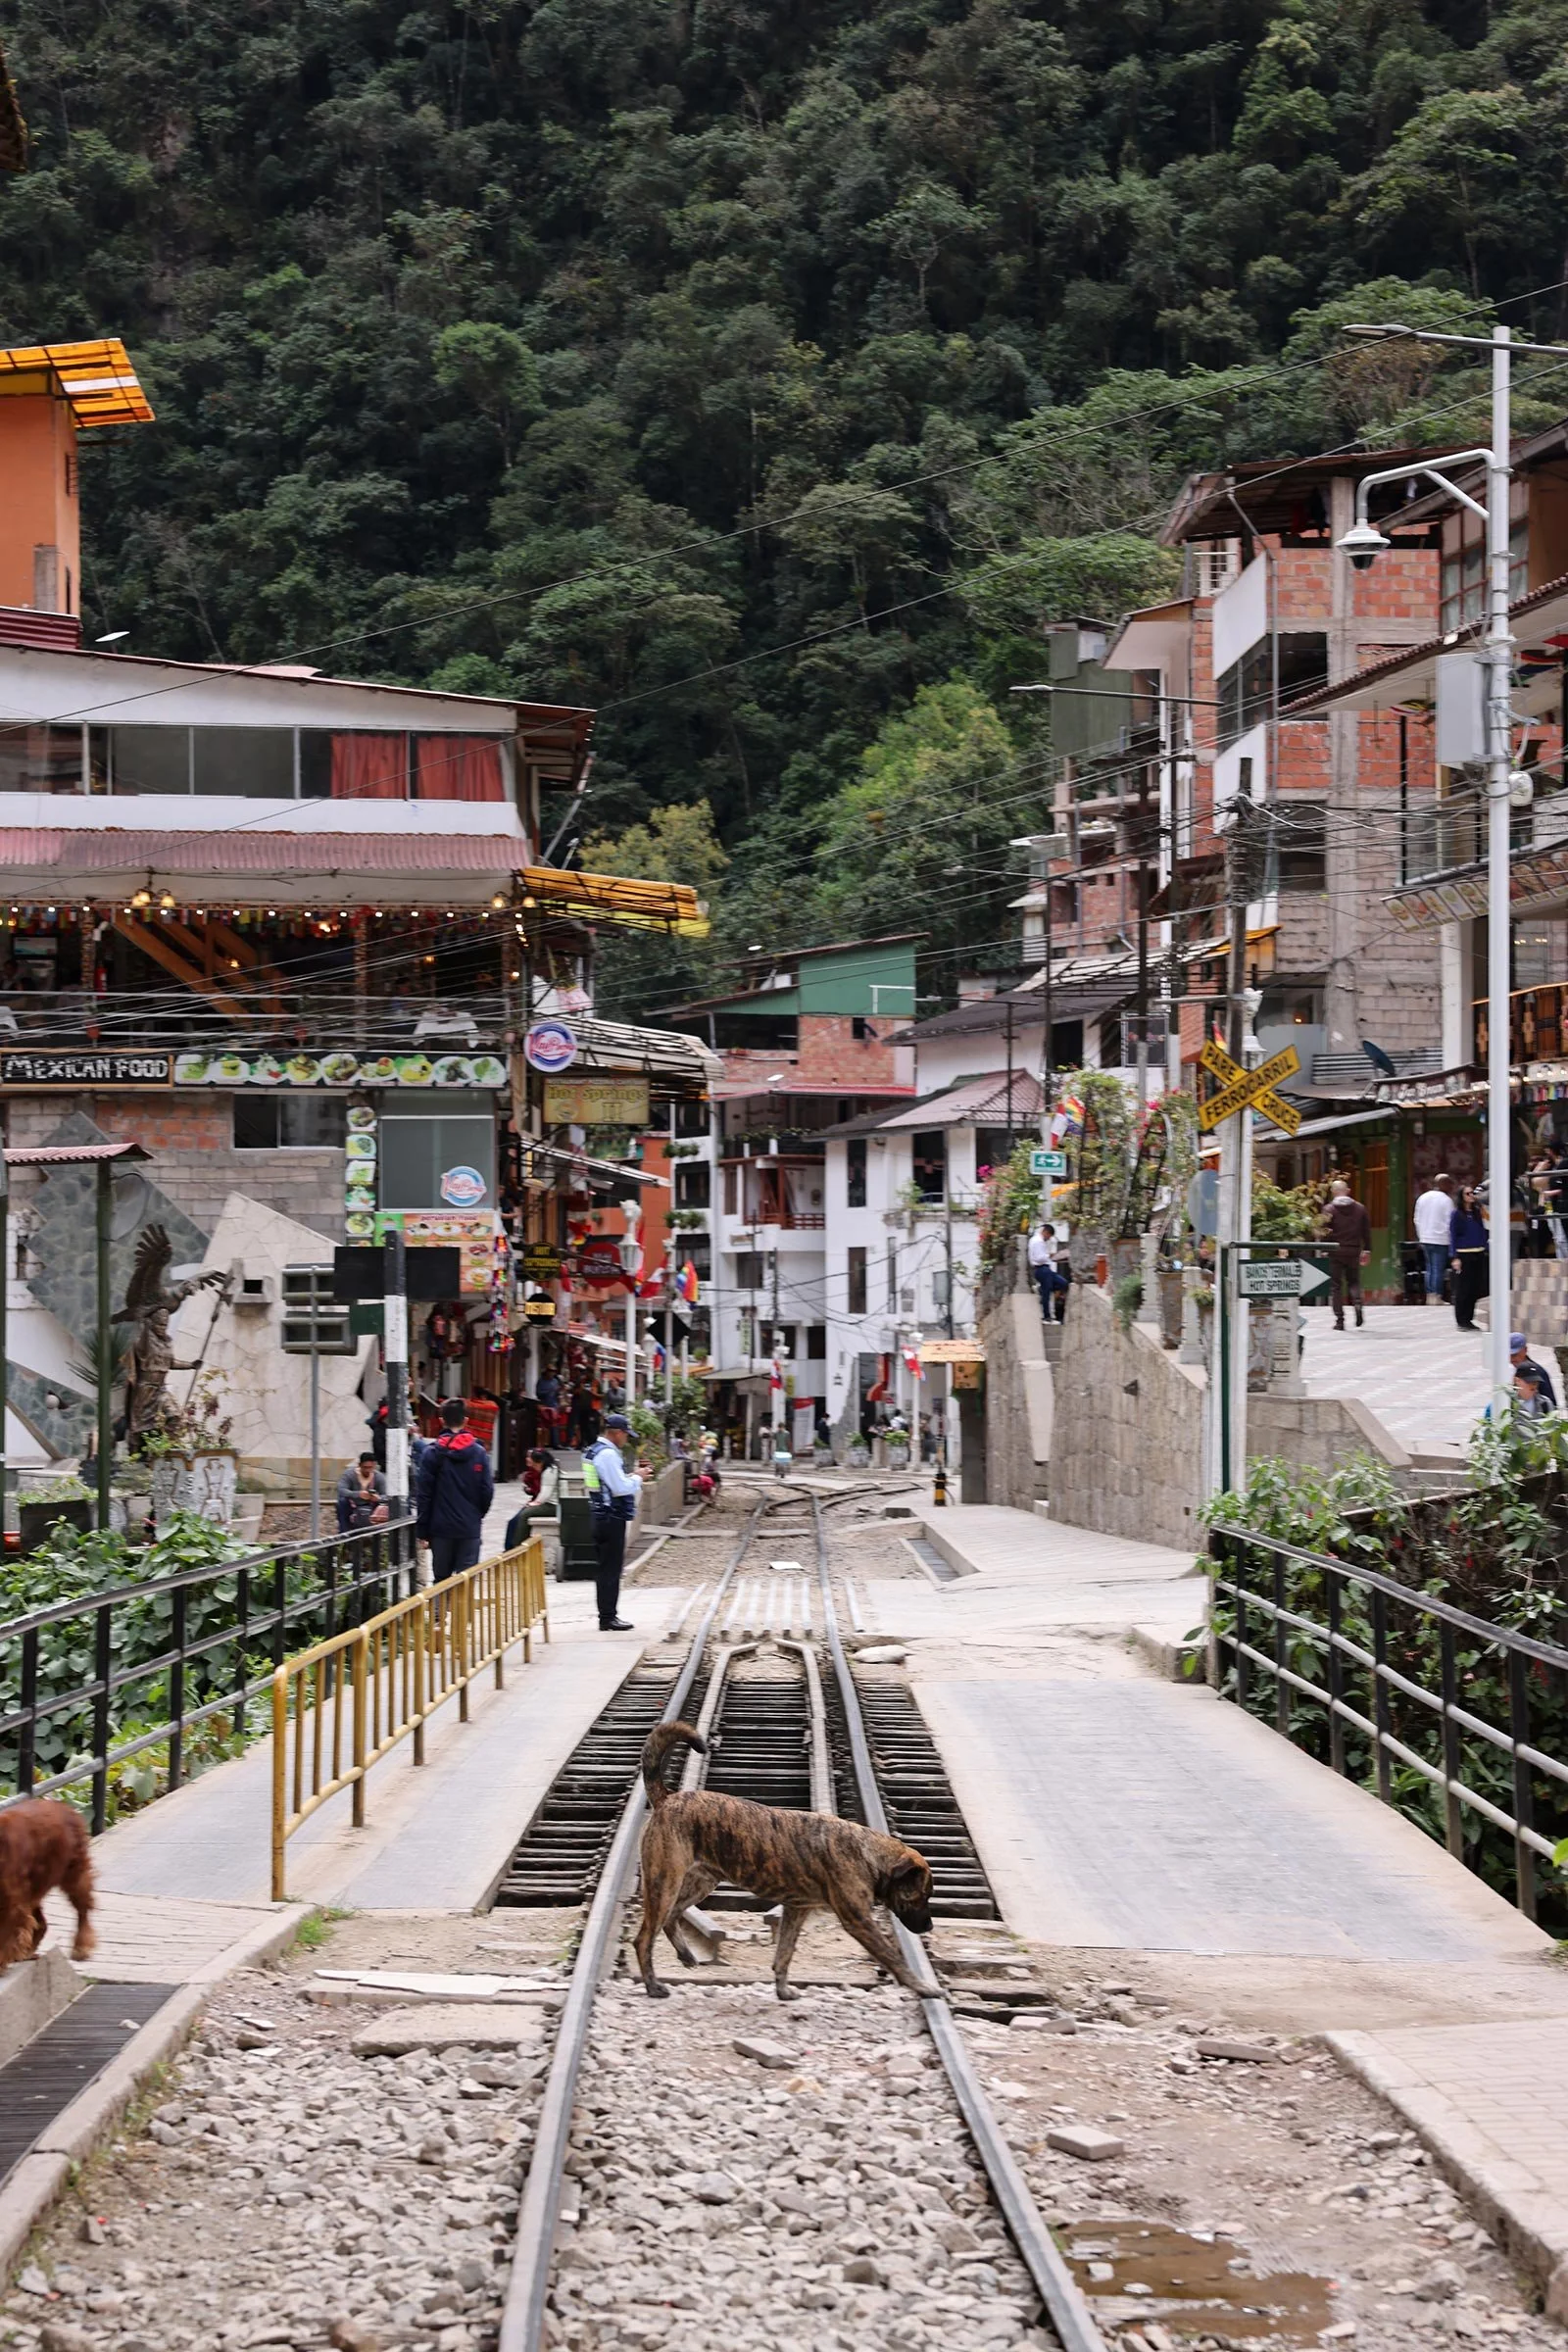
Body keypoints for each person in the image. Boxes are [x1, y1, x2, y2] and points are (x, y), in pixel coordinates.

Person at [415, 1396, 496, 1582]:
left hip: (440, 1528)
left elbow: (424, 1495)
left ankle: (441, 1603)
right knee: (466, 1580)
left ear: (441, 1420)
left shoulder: (431, 1453)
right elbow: (487, 1491)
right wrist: (475, 1516)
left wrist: (422, 1531)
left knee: (441, 1580)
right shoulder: (479, 1453)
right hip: (469, 1527)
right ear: (466, 1420)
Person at [582, 1412, 641, 1631]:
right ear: (616, 1433)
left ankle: (607, 1615)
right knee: (611, 1570)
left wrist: (630, 1477)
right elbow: (620, 1488)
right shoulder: (607, 1454)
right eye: (625, 1434)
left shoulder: (593, 1451)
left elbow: (608, 1483)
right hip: (610, 1517)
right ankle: (608, 1617)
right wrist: (638, 1477)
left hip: (599, 1515)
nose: (626, 1439)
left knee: (605, 1568)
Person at [1320, 1177, 1372, 1331]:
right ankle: (1357, 1302)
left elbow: (1325, 1231)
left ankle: (1340, 1320)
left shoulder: (1329, 1209)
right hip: (1353, 1250)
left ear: (1333, 1192)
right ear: (1348, 1191)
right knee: (1354, 1281)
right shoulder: (1360, 1209)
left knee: (1336, 1286)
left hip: (1335, 1251)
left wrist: (1324, 1248)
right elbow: (1366, 1231)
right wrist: (1367, 1249)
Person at [1449, 1184, 1490, 1330]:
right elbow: (1453, 1235)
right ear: (1461, 1197)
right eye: (1467, 1194)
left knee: (1475, 1288)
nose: (1471, 1196)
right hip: (1464, 1254)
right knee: (1463, 1288)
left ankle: (1469, 1318)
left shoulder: (1477, 1212)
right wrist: (1454, 1257)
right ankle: (1461, 1320)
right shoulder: (1457, 1214)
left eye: (1472, 1193)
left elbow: (1484, 1230)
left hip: (1478, 1252)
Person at [504, 1448, 560, 1548]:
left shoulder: (549, 1472)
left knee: (525, 1514)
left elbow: (545, 1493)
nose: (528, 1460)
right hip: (546, 1502)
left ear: (539, 1461)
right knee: (516, 1518)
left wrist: (535, 1503)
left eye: (530, 1458)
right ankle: (511, 1546)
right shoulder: (544, 1470)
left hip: (552, 1505)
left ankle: (518, 1545)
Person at [1413, 1172, 1455, 1303]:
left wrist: (1421, 1235)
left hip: (1425, 1238)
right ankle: (1437, 1295)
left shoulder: (1422, 1198)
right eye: (1449, 1183)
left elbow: (1417, 1219)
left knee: (1430, 1268)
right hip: (1440, 1239)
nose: (1451, 1186)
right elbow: (1450, 1222)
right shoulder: (1446, 1200)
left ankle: (1430, 1295)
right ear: (1443, 1184)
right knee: (1438, 1268)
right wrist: (1451, 1239)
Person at [336, 1452, 389, 1533]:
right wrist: (358, 1494)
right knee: (342, 1502)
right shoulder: (349, 1474)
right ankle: (345, 1532)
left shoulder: (378, 1476)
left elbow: (386, 1495)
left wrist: (378, 1498)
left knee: (386, 1505)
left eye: (370, 1467)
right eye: (365, 1467)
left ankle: (377, 1532)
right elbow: (341, 1490)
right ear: (359, 1465)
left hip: (371, 1504)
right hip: (353, 1504)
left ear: (374, 1466)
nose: (367, 1470)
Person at [1027, 1220, 1065, 1323]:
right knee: (1047, 1293)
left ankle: (1041, 1290)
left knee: (1062, 1284)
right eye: (1049, 1236)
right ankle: (1046, 1315)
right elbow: (1039, 1258)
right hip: (1042, 1269)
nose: (1048, 1238)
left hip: (1045, 1269)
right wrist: (1050, 1255)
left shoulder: (1036, 1240)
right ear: (1045, 1232)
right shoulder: (1038, 1242)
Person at [1510, 1333, 1558, 1410]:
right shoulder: (1506, 1371)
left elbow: (1551, 1405)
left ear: (1525, 1350)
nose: (1511, 1359)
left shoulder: (1539, 1372)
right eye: (1509, 1355)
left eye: (1515, 1355)